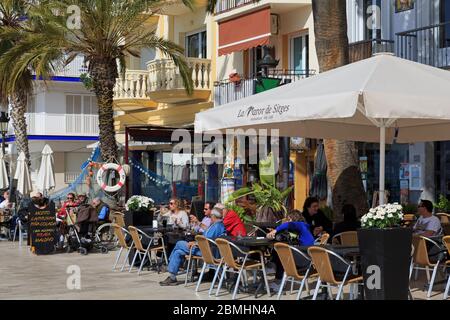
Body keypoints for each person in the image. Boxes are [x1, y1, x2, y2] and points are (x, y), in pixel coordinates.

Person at [159, 208, 226, 286]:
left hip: (206, 252)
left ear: (213, 216)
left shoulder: (217, 226)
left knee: (179, 243)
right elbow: (208, 237)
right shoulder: (217, 225)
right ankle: (172, 277)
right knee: (178, 252)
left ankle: (169, 264)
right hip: (205, 249)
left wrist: (195, 243)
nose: (210, 217)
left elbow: (206, 240)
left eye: (211, 215)